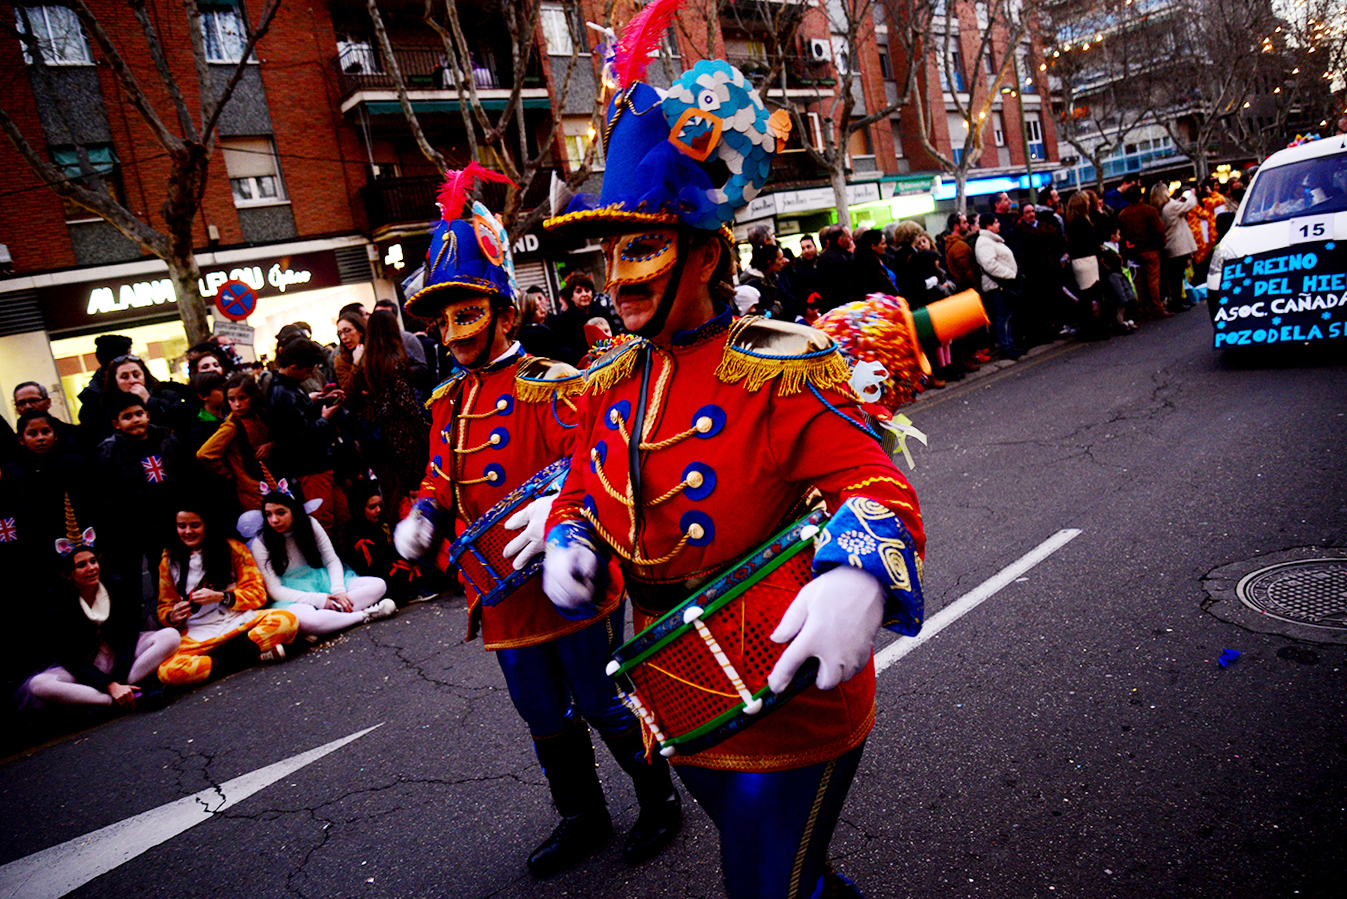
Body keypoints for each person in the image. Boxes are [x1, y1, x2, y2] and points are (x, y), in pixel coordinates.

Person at [541, 50, 925, 899]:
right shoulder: (610, 380)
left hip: (789, 679)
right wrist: (570, 536)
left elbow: (878, 482)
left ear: (705, 256)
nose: (616, 279)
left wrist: (859, 566)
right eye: (609, 254)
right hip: (680, 691)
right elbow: (579, 487)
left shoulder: (776, 367)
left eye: (640, 248)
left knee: (761, 885)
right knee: (793, 874)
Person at [394, 166, 680, 877]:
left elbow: (592, 466)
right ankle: (581, 814)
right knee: (540, 712)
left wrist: (557, 522)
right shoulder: (445, 399)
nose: (454, 333)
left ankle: (659, 796)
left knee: (602, 702)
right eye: (444, 318)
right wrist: (424, 511)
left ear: (504, 314)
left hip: (563, 579)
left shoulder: (550, 382)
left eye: (468, 314)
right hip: (497, 592)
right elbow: (440, 470)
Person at [20, 524, 179, 711]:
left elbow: (128, 638)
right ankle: (111, 700)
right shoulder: (59, 604)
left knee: (170, 636)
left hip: (122, 661)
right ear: (68, 574)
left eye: (93, 561)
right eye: (81, 565)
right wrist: (107, 685)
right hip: (86, 667)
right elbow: (70, 658)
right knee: (39, 684)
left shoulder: (116, 587)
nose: (91, 568)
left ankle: (121, 692)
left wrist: (117, 681)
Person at [155, 505, 299, 685]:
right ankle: (252, 656)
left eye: (195, 525)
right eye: (182, 526)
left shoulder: (233, 548)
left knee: (286, 621)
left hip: (237, 620)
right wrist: (173, 615)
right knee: (168, 672)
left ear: (207, 525)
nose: (188, 531)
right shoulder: (168, 560)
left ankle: (219, 664)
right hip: (199, 631)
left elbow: (257, 595)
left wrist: (221, 597)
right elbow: (164, 608)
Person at [248, 485, 395, 637]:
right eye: (268, 514)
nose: (274, 520)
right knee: (310, 621)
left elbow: (331, 560)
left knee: (378, 585)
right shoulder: (261, 542)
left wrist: (338, 591)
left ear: (294, 510)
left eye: (280, 513)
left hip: (321, 581)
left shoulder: (310, 524)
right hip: (292, 596)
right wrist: (318, 600)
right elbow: (275, 591)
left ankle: (331, 619)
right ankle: (364, 615)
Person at [96, 392, 189, 591]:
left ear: (147, 415)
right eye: (127, 417)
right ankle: (165, 606)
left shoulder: (167, 440)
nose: (135, 420)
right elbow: (108, 492)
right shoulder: (110, 451)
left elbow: (183, 474)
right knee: (158, 567)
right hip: (139, 522)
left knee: (184, 562)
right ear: (116, 423)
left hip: (173, 514)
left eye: (138, 414)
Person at [346, 308, 429, 516]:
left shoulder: (368, 359)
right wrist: (423, 427)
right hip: (402, 433)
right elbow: (404, 400)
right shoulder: (395, 358)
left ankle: (396, 534)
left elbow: (352, 395)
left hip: (378, 435)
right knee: (414, 489)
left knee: (392, 492)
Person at [266, 338, 345, 533]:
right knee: (323, 521)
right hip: (311, 467)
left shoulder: (286, 387)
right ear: (293, 367)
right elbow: (302, 434)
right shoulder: (285, 392)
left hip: (316, 465)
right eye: (308, 371)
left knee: (339, 516)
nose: (310, 375)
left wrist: (315, 400)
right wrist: (325, 418)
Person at [341, 480, 444, 605]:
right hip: (378, 574)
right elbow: (372, 567)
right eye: (372, 507)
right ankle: (409, 593)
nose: (378, 510)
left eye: (379, 505)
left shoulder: (381, 522)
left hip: (394, 563)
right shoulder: (355, 533)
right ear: (359, 509)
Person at [196, 372, 274, 514]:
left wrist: (271, 445)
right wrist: (230, 473)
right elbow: (204, 454)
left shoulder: (259, 414)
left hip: (270, 480)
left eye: (242, 398)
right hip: (252, 491)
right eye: (231, 399)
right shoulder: (231, 426)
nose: (237, 404)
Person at [94, 354, 190, 439]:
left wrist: (149, 400)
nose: (132, 381)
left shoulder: (166, 395)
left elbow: (183, 418)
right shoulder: (106, 404)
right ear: (115, 381)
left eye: (136, 375)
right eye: (124, 377)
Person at [1117, 183, 1171, 320]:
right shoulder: (1149, 211)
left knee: (1138, 281)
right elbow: (1159, 229)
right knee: (1153, 280)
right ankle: (1156, 307)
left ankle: (1139, 308)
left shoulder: (1123, 215)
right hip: (1150, 249)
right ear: (1141, 196)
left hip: (1133, 251)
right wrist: (1160, 245)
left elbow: (1122, 235)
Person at [976, 213, 1022, 360]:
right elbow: (990, 264)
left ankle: (1010, 343)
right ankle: (1005, 346)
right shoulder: (984, 242)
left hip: (1003, 283)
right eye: (996, 223)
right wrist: (1010, 274)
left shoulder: (992, 240)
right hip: (997, 285)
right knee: (1003, 315)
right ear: (988, 226)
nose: (999, 224)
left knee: (1007, 314)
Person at [1153, 182, 1198, 312]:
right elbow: (1188, 206)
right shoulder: (1171, 206)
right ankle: (1177, 302)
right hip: (1179, 245)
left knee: (1172, 277)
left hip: (1168, 245)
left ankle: (1174, 300)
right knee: (1177, 277)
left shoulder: (1158, 209)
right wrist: (1190, 195)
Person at [815, 224, 855, 311]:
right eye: (847, 238)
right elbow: (847, 287)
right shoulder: (840, 259)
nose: (850, 240)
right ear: (840, 241)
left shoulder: (822, 258)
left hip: (828, 307)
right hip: (842, 307)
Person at [333, 309, 366, 395]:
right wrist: (356, 363)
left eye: (347, 331)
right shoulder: (340, 359)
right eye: (340, 333)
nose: (343, 337)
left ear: (360, 331)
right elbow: (348, 392)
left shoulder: (375, 350)